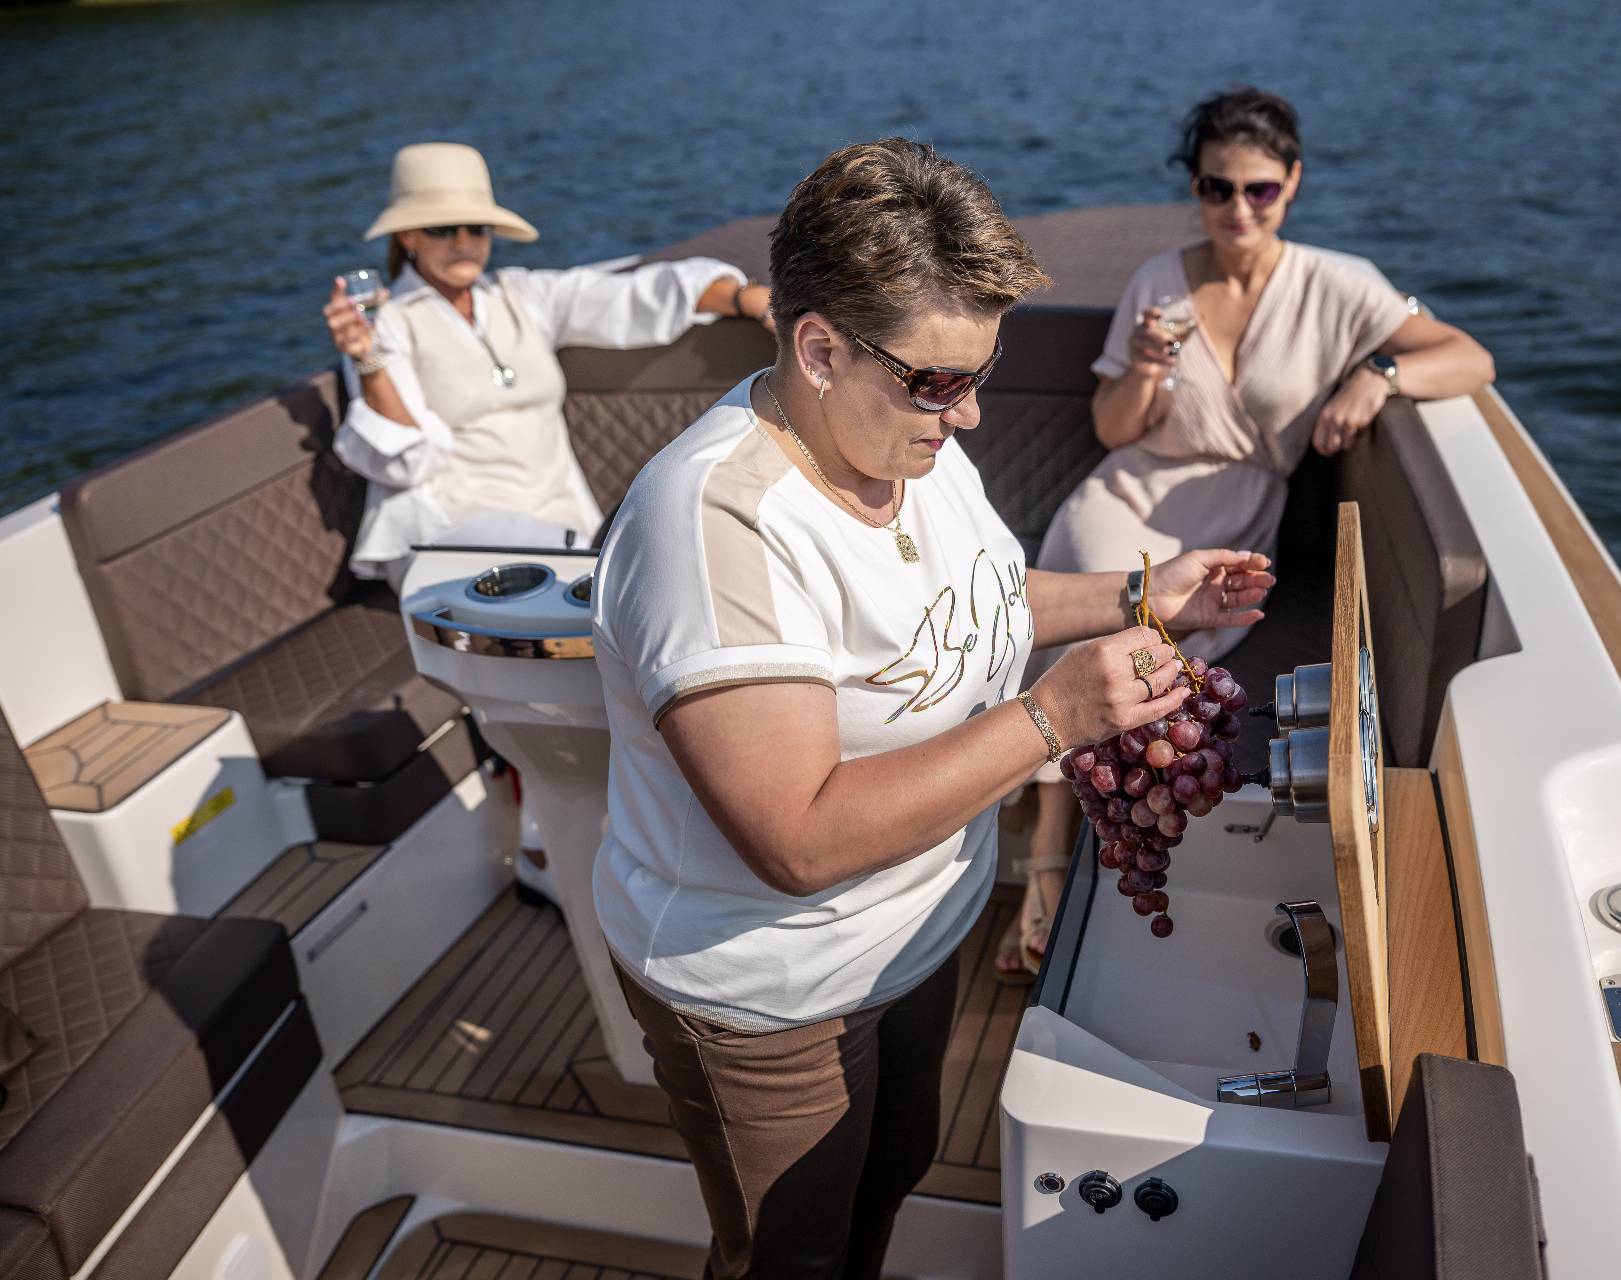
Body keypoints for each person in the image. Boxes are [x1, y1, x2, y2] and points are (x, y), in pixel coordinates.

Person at [590, 137, 1275, 1279]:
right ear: (819, 348)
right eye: (940, 380)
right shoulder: (716, 529)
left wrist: (1144, 592)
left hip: (919, 930)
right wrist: (1052, 719)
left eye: (979, 373)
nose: (969, 416)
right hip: (775, 991)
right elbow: (798, 840)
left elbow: (980, 598)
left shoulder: (906, 439)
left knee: (894, 1167)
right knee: (791, 1254)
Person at [1000, 87, 1496, 980]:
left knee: (1150, 644)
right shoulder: (1161, 280)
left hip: (1235, 509)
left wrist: (1378, 376)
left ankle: (1071, 844)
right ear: (1195, 187)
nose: (1238, 208)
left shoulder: (1338, 284)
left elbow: (1470, 356)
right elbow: (1114, 429)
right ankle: (1051, 843)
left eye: (1259, 189)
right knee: (1098, 596)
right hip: (1128, 492)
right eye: (1217, 188)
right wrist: (1142, 370)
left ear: (1292, 182)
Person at [322, 141, 771, 901]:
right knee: (602, 627)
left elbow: (635, 297)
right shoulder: (386, 325)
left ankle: (602, 830)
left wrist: (747, 299)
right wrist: (366, 359)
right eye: (444, 229)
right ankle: (551, 843)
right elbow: (403, 459)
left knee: (655, 588)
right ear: (408, 237)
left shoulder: (520, 296)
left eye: (476, 227)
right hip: (451, 533)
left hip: (553, 526)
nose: (465, 242)